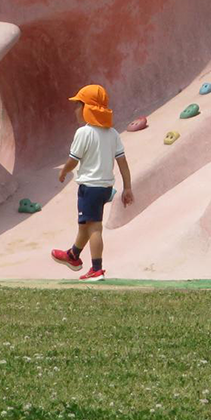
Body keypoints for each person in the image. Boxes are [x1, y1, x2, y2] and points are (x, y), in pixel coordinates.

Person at [52, 84, 133, 282]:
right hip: (105, 188)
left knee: (95, 227)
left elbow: (73, 159)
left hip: (90, 188)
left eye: (78, 105)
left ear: (87, 108)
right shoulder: (112, 134)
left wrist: (64, 170)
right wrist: (128, 187)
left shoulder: (84, 133)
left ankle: (97, 269)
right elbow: (122, 162)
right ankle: (73, 255)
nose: (75, 110)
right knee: (85, 226)